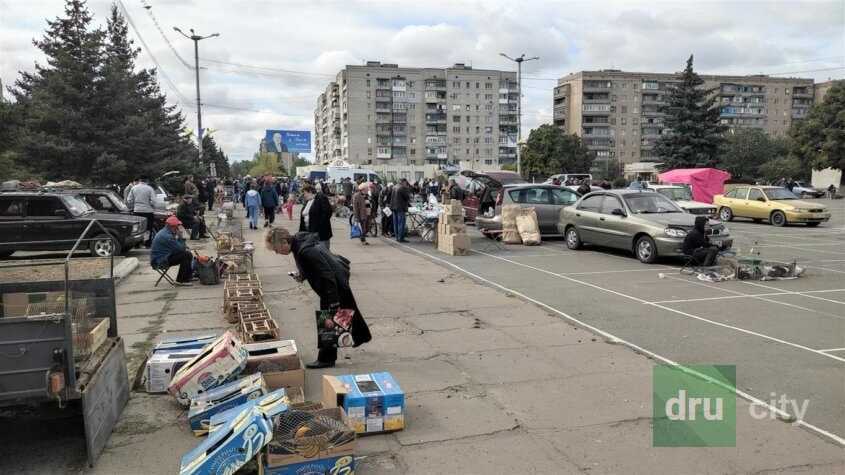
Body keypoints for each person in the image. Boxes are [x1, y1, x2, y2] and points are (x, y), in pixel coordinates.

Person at [266, 228, 371, 368]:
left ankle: (326, 359)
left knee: (328, 322)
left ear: (284, 241)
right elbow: (312, 266)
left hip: (332, 286)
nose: (277, 253)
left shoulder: (304, 251)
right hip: (336, 282)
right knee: (347, 307)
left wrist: (332, 301)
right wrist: (302, 276)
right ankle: (361, 336)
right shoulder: (299, 242)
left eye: (276, 249)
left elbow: (326, 274)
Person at [150, 216, 194, 285]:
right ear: (172, 226)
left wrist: (180, 239)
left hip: (163, 257)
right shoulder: (167, 236)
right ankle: (181, 280)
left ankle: (188, 276)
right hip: (160, 261)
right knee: (186, 255)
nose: (178, 228)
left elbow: (178, 248)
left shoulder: (166, 232)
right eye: (177, 226)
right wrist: (181, 238)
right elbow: (180, 249)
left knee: (187, 254)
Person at [300, 184, 334, 249]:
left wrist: (318, 227)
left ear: (310, 192)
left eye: (304, 193)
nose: (304, 196)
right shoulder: (308, 201)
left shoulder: (321, 197)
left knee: (322, 253)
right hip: (310, 232)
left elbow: (327, 213)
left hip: (320, 233)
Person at [126, 176, 156, 247]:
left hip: (137, 211)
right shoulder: (149, 188)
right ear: (147, 180)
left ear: (140, 180)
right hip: (148, 211)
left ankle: (137, 244)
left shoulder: (134, 188)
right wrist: (151, 204)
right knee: (148, 229)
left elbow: (129, 200)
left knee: (137, 228)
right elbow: (154, 201)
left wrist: (134, 204)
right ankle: (147, 243)